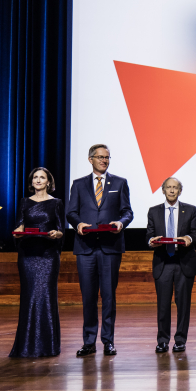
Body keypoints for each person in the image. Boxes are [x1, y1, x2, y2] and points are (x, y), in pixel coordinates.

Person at [66, 144, 133, 357]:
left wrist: (121, 223)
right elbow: (71, 212)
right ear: (90, 159)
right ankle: (88, 341)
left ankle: (108, 341)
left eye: (107, 157)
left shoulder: (120, 183)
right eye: (100, 157)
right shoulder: (78, 185)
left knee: (109, 297)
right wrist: (78, 224)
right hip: (85, 247)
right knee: (88, 297)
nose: (104, 160)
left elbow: (127, 212)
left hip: (110, 247)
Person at [9, 167, 64, 358]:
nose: (38, 180)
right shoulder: (24, 202)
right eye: (35, 177)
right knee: (29, 296)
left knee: (46, 296)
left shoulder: (56, 203)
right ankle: (25, 346)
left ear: (49, 181)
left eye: (42, 177)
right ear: (32, 182)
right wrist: (18, 231)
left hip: (48, 255)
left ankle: (48, 346)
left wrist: (57, 234)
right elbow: (19, 224)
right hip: (28, 254)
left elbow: (60, 229)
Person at [146, 177, 196, 353]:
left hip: (183, 261)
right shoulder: (153, 211)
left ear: (180, 191)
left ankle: (180, 340)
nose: (171, 190)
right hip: (163, 262)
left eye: (175, 188)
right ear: (163, 190)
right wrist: (151, 241)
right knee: (163, 304)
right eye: (168, 187)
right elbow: (149, 234)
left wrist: (189, 239)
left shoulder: (190, 210)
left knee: (183, 304)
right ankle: (162, 340)